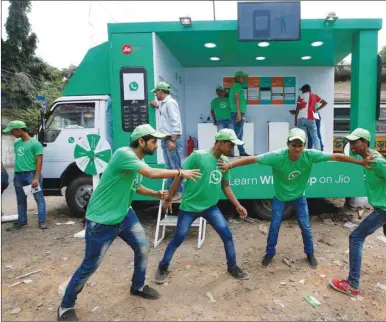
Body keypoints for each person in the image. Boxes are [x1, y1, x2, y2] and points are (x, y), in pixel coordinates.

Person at [57, 124, 201, 321]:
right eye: (153, 142)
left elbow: (136, 185)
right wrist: (179, 172)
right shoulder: (123, 154)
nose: (157, 146)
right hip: (101, 220)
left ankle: (138, 286)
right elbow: (150, 173)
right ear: (141, 141)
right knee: (90, 265)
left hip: (124, 214)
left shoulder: (134, 162)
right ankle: (66, 305)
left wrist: (155, 194)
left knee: (142, 248)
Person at [218, 128, 371, 269]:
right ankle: (270, 253)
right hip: (280, 198)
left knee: (305, 226)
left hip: (299, 197)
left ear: (304, 146)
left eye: (300, 145)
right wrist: (230, 166)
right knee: (274, 226)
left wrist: (360, 162)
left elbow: (336, 156)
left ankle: (310, 253)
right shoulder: (277, 156)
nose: (297, 149)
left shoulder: (310, 155)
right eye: (294, 145)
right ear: (288, 144)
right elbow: (253, 159)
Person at [328, 128, 386, 298]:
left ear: (364, 143)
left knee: (355, 237)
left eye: (354, 142)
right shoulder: (368, 157)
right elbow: (342, 158)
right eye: (350, 142)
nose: (351, 146)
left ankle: (352, 284)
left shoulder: (377, 162)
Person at [155, 128, 250, 283]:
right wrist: (169, 197)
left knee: (227, 236)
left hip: (211, 208)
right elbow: (179, 177)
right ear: (220, 143)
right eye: (230, 145)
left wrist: (237, 205)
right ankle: (162, 266)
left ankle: (232, 267)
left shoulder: (224, 163)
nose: (232, 149)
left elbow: (225, 186)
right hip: (189, 208)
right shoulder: (198, 157)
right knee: (178, 237)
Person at [3, 120, 47, 230]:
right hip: (18, 176)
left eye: (12, 131)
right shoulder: (17, 143)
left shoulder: (35, 144)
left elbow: (39, 161)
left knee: (39, 199)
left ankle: (42, 222)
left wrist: (36, 178)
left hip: (31, 175)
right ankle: (22, 222)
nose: (11, 134)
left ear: (19, 130)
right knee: (21, 200)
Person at [149, 81, 184, 201]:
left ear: (161, 91)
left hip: (171, 139)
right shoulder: (164, 104)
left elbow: (176, 122)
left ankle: (179, 192)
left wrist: (173, 140)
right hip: (166, 139)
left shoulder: (170, 103)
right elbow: (166, 116)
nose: (155, 94)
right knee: (169, 168)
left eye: (156, 92)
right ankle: (172, 192)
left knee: (175, 167)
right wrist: (157, 106)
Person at [294, 84, 327, 150]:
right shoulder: (315, 96)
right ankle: (319, 152)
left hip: (301, 118)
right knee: (315, 136)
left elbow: (297, 109)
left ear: (304, 90)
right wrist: (316, 109)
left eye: (302, 90)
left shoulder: (300, 96)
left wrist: (295, 120)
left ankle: (301, 151)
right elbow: (325, 102)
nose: (302, 92)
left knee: (300, 136)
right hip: (310, 118)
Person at [229, 71, 250, 156]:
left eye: (243, 77)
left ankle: (241, 151)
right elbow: (236, 98)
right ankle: (229, 152)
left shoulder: (236, 86)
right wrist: (238, 113)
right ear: (237, 78)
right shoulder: (237, 85)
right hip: (237, 112)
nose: (243, 79)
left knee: (240, 134)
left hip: (238, 112)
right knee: (236, 134)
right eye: (242, 77)